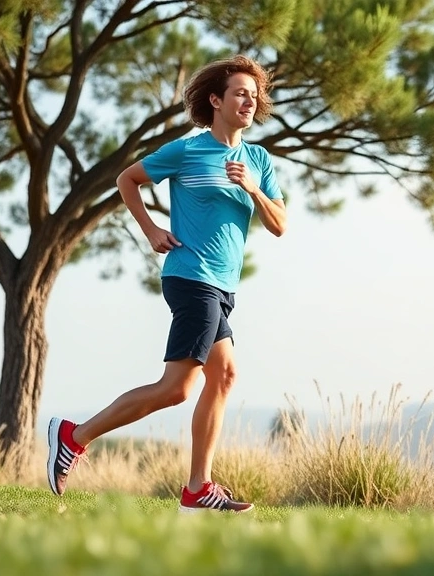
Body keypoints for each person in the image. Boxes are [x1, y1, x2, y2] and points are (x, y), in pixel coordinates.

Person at [46, 55, 287, 513]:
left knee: (225, 375)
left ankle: (197, 488)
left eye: (254, 96)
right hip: (191, 276)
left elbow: (280, 225)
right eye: (240, 93)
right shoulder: (189, 150)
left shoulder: (257, 160)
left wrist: (253, 189)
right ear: (216, 100)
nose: (249, 102)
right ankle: (73, 437)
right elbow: (127, 179)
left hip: (223, 285)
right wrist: (152, 230)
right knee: (178, 387)